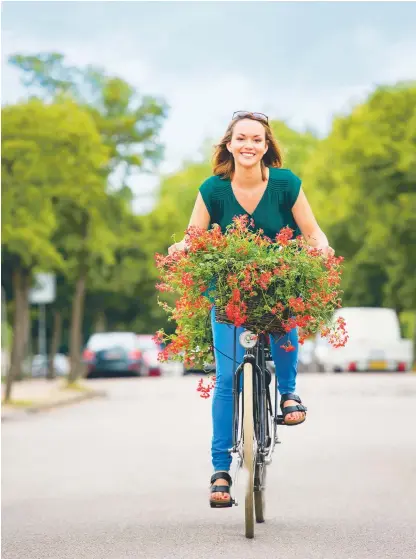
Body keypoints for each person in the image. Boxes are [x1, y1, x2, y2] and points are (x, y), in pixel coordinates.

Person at [168, 111, 334, 508]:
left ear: (265, 146)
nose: (248, 145)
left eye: (256, 139)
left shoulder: (285, 184)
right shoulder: (213, 190)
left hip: (276, 283)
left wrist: (322, 250)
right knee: (226, 380)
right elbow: (194, 236)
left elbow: (312, 232)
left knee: (285, 312)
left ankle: (289, 394)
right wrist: (181, 248)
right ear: (229, 144)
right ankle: (220, 471)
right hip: (226, 292)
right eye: (241, 138)